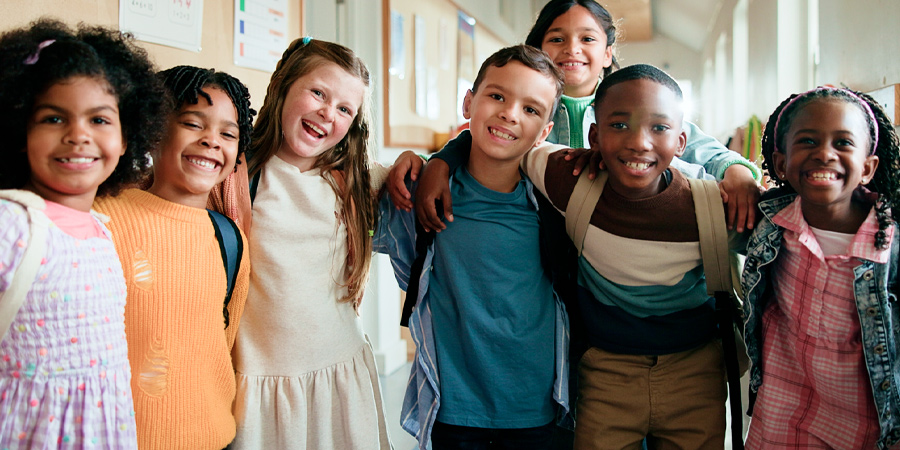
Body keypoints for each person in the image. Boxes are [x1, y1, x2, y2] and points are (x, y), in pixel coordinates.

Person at [398, 0, 761, 234]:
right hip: (541, 248)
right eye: (557, 39)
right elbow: (484, 145)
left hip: (613, 250)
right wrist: (440, 162)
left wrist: (739, 173)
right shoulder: (525, 112)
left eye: (587, 39)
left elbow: (705, 149)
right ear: (538, 50)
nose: (572, 49)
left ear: (607, 53)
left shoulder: (635, 105)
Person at [521, 64, 729, 449]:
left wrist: (740, 174)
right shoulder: (569, 179)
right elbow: (515, 146)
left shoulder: (712, 206)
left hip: (694, 371)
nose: (639, 142)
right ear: (594, 136)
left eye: (659, 128)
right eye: (619, 125)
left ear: (681, 141)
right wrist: (445, 158)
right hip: (606, 371)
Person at [375, 44, 569, 450]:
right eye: (497, 96)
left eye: (531, 110)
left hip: (534, 407)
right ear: (469, 102)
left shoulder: (555, 205)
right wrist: (411, 161)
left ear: (545, 133)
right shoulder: (426, 193)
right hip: (452, 406)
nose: (510, 114)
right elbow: (349, 199)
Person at [0, 18, 166, 448]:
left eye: (99, 119)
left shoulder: (100, 229)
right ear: (20, 132)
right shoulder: (11, 223)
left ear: (128, 137)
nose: (78, 135)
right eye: (54, 118)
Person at [229, 37, 391, 449]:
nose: (327, 113)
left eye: (344, 109)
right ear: (284, 85)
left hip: (339, 375)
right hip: (261, 381)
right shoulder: (237, 178)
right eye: (318, 92)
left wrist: (426, 162)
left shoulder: (354, 182)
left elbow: (420, 175)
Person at [93, 66, 255, 449]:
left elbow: (223, 343)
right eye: (192, 123)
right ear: (153, 129)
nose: (212, 141)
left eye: (228, 134)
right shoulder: (102, 218)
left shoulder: (229, 239)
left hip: (213, 438)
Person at [741, 87, 900, 449]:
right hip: (784, 405)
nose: (825, 153)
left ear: (868, 167)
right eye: (808, 141)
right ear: (781, 164)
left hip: (868, 415)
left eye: (843, 143)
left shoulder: (890, 243)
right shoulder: (769, 222)